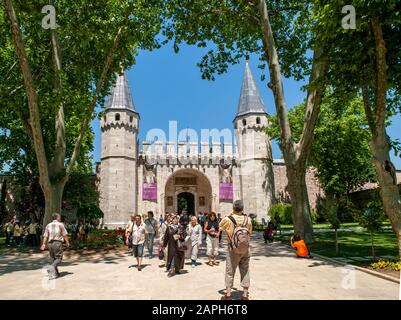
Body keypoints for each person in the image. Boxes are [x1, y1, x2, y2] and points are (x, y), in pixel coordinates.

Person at [219, 200, 252, 300]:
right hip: (245, 249)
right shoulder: (248, 219)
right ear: (242, 208)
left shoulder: (228, 219)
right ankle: (245, 295)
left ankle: (228, 295)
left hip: (232, 249)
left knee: (230, 271)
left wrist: (230, 215)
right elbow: (249, 232)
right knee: (245, 270)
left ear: (233, 208)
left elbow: (219, 227)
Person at [40, 213, 70, 280]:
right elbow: (64, 234)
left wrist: (43, 244)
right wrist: (67, 242)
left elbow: (45, 236)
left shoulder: (48, 225)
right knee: (59, 258)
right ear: (57, 217)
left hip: (50, 243)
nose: (60, 218)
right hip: (57, 243)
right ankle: (51, 268)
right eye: (59, 217)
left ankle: (56, 273)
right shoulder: (60, 224)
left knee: (53, 258)